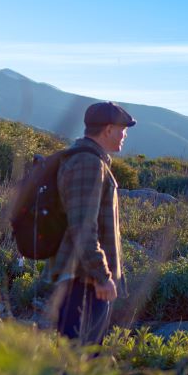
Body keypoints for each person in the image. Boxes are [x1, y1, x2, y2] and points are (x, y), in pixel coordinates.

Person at [50, 101, 135, 344]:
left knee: (80, 359)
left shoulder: (90, 160)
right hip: (84, 283)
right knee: (80, 360)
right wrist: (101, 275)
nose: (124, 135)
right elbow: (82, 227)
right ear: (108, 129)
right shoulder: (88, 163)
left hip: (83, 280)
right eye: (122, 130)